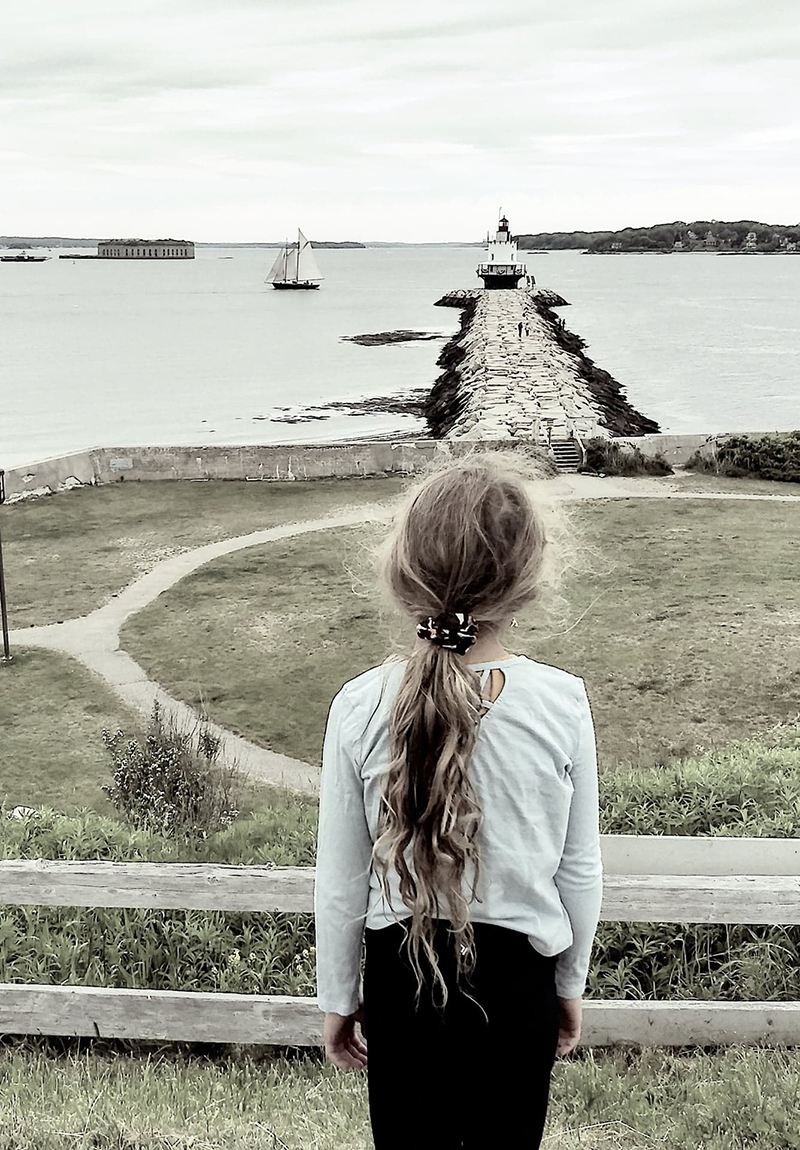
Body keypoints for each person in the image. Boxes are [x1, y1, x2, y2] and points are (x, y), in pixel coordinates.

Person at [314, 454, 603, 1150]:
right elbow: (578, 868)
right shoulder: (561, 703)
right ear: (527, 577)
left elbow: (342, 878)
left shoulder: (360, 704)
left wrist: (338, 999)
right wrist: (569, 984)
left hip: (401, 981)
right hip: (520, 983)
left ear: (403, 569)